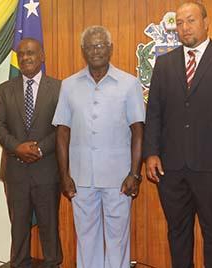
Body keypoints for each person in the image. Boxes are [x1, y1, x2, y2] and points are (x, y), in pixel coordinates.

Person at [143, 2, 212, 267]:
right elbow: (154, 112)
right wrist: (151, 153)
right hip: (171, 167)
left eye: (190, 21)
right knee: (177, 231)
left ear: (205, 22)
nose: (184, 27)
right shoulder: (164, 63)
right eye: (179, 23)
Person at [53, 25, 145, 268]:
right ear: (83, 51)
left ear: (110, 49)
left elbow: (138, 131)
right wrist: (64, 175)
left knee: (118, 240)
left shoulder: (129, 84)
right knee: (86, 239)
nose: (96, 50)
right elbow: (62, 132)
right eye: (91, 46)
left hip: (119, 179)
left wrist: (135, 173)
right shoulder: (69, 85)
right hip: (81, 178)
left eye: (101, 45)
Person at [0, 38, 62, 268]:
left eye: (31, 53)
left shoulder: (59, 88)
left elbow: (63, 127)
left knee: (49, 229)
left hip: (47, 171)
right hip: (16, 172)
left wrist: (40, 148)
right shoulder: (5, 89)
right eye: (21, 54)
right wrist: (16, 147)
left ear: (42, 56)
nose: (25, 58)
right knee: (18, 230)